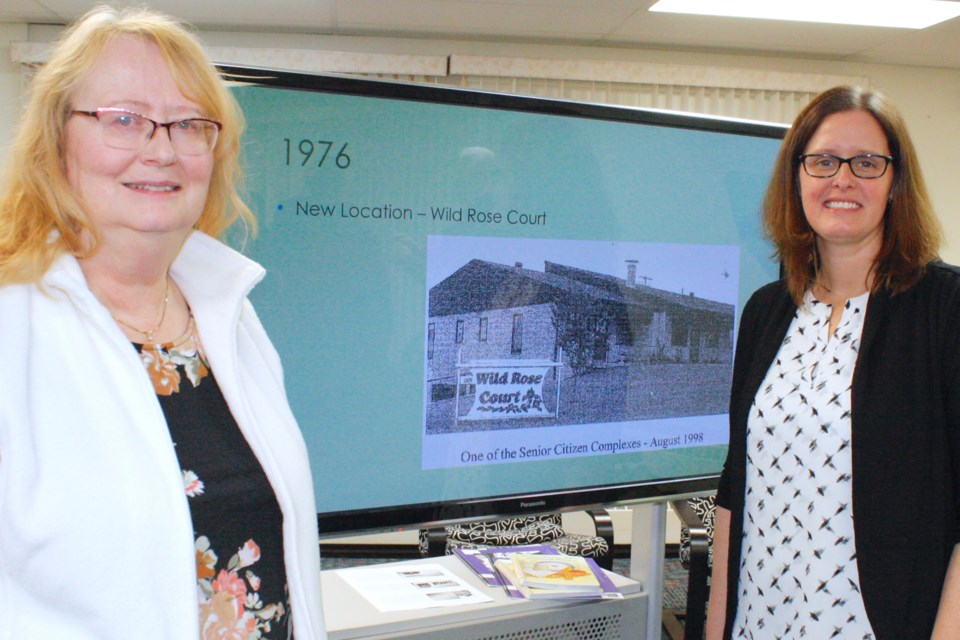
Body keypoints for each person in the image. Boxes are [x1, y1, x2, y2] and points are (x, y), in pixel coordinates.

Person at [0, 6, 326, 639]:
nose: (162, 149)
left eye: (189, 124)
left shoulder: (231, 316)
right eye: (123, 120)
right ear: (56, 141)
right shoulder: (12, 324)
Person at [706, 85, 960, 640]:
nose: (842, 179)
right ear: (797, 178)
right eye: (823, 161)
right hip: (761, 623)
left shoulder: (945, 308)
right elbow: (734, 488)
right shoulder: (766, 312)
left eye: (867, 162)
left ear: (896, 184)